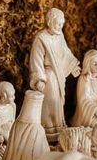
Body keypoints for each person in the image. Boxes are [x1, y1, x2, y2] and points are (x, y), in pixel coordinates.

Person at [29, 7, 81, 141]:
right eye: (58, 24)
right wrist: (39, 78)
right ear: (50, 22)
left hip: (58, 75)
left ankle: (58, 127)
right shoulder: (41, 38)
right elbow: (36, 60)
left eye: (62, 24)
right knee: (50, 102)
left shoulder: (59, 35)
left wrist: (73, 66)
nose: (60, 26)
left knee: (58, 102)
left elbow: (65, 52)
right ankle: (47, 129)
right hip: (48, 76)